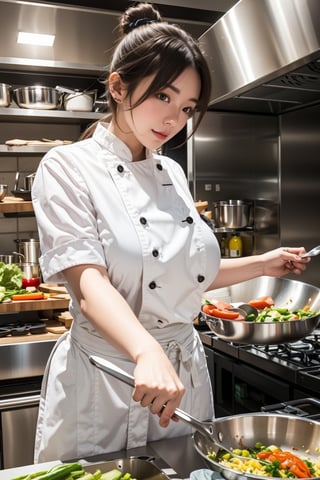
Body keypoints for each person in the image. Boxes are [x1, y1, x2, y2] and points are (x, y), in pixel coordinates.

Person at [32, 2, 310, 463]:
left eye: (186, 107)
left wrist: (264, 263)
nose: (174, 120)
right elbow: (88, 283)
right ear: (119, 87)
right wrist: (145, 352)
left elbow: (182, 272)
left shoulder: (172, 174)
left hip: (180, 378)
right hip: (108, 379)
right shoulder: (66, 167)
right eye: (163, 96)